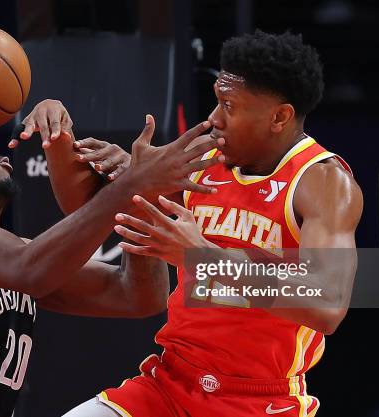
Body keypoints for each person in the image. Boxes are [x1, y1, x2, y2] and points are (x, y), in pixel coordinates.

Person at [60, 30, 363, 417]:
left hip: (259, 400)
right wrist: (129, 177)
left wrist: (203, 258)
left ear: (279, 116)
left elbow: (327, 304)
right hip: (169, 384)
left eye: (228, 105)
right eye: (216, 101)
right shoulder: (202, 159)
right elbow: (106, 215)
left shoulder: (322, 181)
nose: (213, 118)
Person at [0, 99, 224, 417]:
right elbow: (29, 269)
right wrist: (129, 186)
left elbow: (137, 295)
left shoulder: (15, 254)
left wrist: (137, 199)